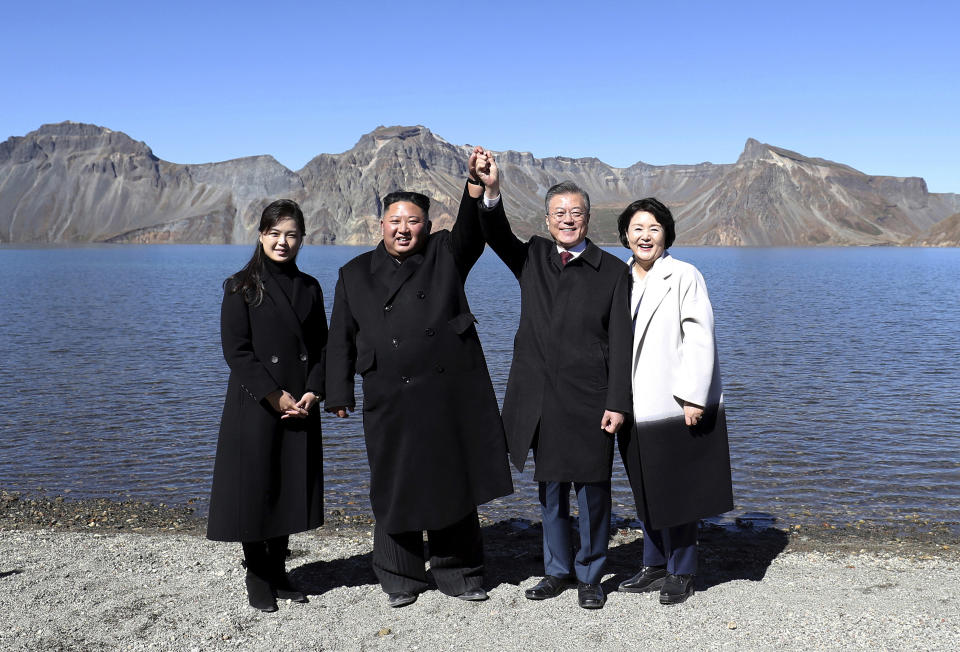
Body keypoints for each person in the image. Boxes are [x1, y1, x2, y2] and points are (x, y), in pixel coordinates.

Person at [324, 147, 513, 608]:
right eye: (395, 221)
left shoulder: (446, 253)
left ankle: (460, 573)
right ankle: (399, 575)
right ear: (381, 225)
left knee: (452, 478)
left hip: (447, 392)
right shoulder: (354, 274)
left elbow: (472, 231)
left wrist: (476, 185)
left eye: (413, 221)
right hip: (389, 395)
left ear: (427, 226)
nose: (403, 229)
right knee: (394, 481)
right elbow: (340, 337)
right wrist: (338, 392)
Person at [477, 158, 632, 610]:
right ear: (547, 220)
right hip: (540, 398)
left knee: (593, 491)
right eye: (559, 213)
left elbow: (622, 343)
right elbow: (494, 233)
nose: (568, 219)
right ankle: (556, 571)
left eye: (576, 213)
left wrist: (618, 402)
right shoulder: (532, 257)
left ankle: (590, 574)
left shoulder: (611, 272)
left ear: (588, 218)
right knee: (550, 490)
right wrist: (491, 192)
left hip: (591, 399)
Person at [206, 199, 327, 613]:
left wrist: (313, 391)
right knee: (255, 488)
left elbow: (321, 348)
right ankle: (257, 575)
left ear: (302, 239)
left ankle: (278, 570)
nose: (283, 241)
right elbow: (236, 352)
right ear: (260, 236)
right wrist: (275, 396)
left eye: (291, 234)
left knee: (288, 487)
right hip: (256, 403)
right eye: (274, 233)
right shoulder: (240, 285)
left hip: (300, 403)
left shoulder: (310, 287)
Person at [614, 197, 733, 605]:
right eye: (637, 229)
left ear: (667, 234)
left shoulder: (684, 275)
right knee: (645, 487)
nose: (645, 236)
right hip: (630, 404)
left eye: (654, 228)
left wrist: (694, 397)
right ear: (625, 236)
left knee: (678, 490)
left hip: (672, 402)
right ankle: (653, 563)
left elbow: (701, 337)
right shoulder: (620, 278)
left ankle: (681, 570)